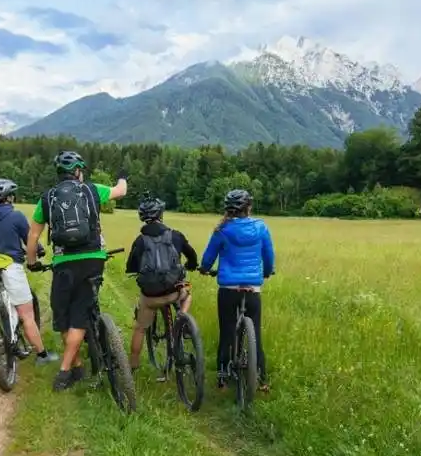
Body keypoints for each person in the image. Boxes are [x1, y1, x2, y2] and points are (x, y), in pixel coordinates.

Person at [25, 150, 127, 391]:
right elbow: (121, 192)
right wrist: (122, 177)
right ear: (78, 171)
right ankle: (73, 368)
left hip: (64, 263)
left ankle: (68, 370)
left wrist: (31, 262)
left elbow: (33, 235)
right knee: (81, 313)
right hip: (93, 259)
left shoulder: (47, 198)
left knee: (64, 319)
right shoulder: (92, 190)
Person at [0, 178, 58, 369]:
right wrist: (39, 250)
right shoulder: (16, 216)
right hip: (11, 268)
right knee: (26, 314)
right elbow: (30, 240)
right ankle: (42, 355)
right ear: (9, 197)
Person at [198, 188, 274, 393]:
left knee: (227, 332)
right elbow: (268, 256)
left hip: (228, 289)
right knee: (255, 334)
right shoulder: (261, 227)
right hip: (253, 288)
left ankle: (222, 376)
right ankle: (262, 379)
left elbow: (208, 258)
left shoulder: (222, 230)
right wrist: (267, 272)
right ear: (249, 207)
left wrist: (205, 270)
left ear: (228, 210)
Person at [125, 195, 198, 375]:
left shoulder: (140, 241)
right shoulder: (176, 235)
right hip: (174, 291)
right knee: (187, 293)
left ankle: (132, 366)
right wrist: (191, 265)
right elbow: (192, 255)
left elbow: (131, 266)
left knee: (140, 328)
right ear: (161, 214)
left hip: (151, 297)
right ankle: (182, 317)